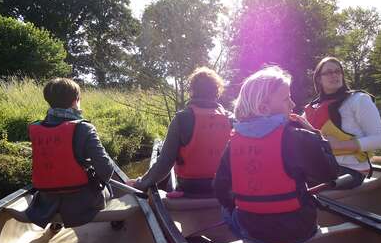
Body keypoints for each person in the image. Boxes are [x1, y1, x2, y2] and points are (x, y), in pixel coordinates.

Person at [214, 66, 339, 243]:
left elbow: (220, 188)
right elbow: (330, 174)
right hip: (300, 228)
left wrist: (243, 204)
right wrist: (317, 135)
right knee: (301, 191)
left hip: (250, 227)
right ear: (263, 107)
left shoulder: (233, 143)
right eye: (286, 99)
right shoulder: (300, 137)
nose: (292, 104)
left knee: (226, 208)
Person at [25, 78, 116, 228]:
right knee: (108, 187)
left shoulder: (34, 128)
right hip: (82, 204)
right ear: (76, 100)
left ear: (49, 101)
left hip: (45, 203)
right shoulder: (85, 128)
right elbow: (106, 169)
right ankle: (114, 220)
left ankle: (55, 223)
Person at [128, 67, 232, 197]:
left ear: (192, 91)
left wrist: (140, 183)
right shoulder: (230, 118)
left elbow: (165, 163)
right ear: (217, 92)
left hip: (190, 187)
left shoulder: (182, 118)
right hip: (223, 187)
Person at [304, 56, 381, 189]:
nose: (334, 75)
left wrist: (340, 144)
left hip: (352, 171)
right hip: (324, 166)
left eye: (338, 71)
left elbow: (380, 139)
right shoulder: (313, 107)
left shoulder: (359, 100)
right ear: (319, 79)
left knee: (295, 178)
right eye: (329, 72)